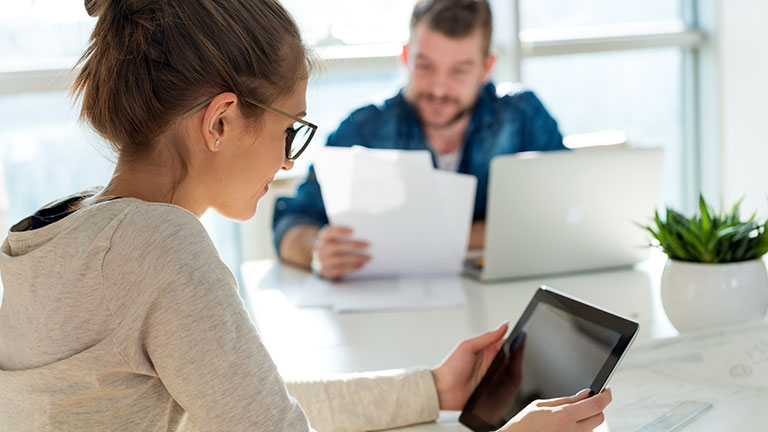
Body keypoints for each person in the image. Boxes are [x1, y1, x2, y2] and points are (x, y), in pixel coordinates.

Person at [0, 0, 610, 431]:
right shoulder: (164, 245)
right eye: (290, 130)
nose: (289, 157)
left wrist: (433, 390)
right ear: (220, 122)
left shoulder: (63, 227)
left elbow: (249, 405)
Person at [274, 0, 566, 280]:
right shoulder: (363, 129)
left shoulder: (523, 116)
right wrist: (316, 251)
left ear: (486, 68)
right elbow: (292, 222)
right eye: (425, 66)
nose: (439, 89)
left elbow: (569, 211)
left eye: (459, 71)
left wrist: (421, 238)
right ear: (405, 57)